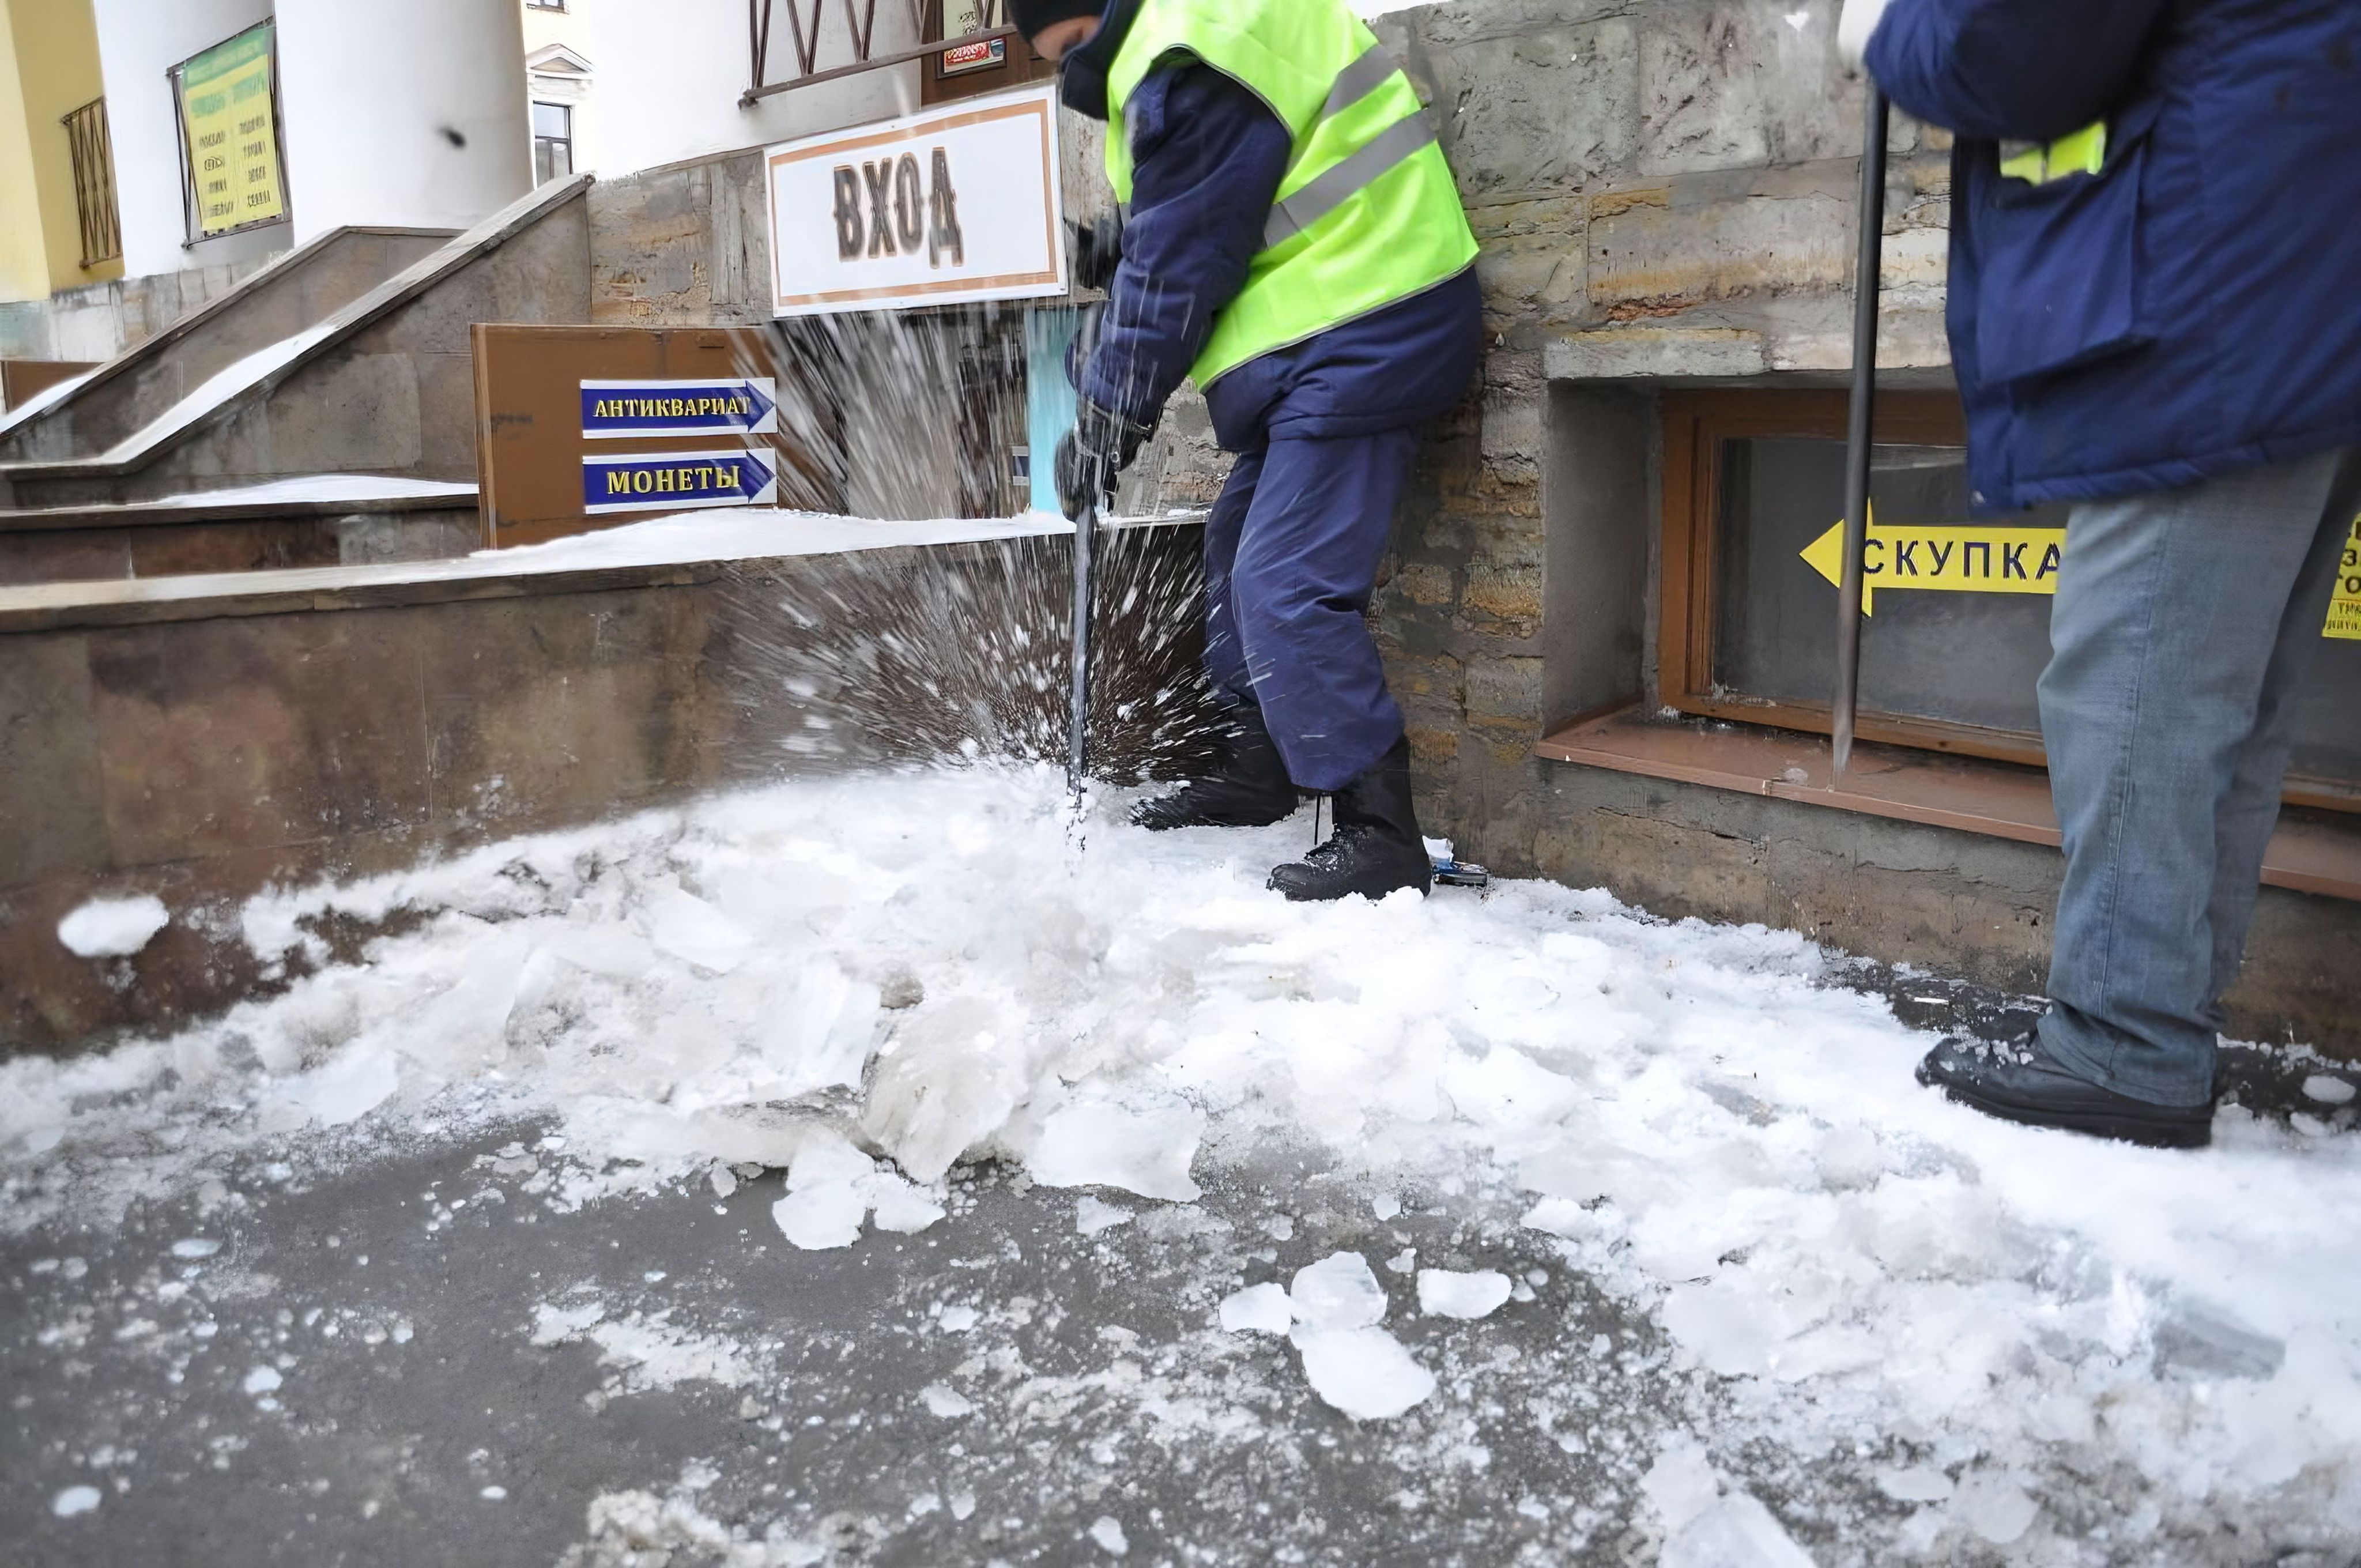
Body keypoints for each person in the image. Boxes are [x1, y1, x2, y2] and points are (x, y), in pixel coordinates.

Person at [1840, 0, 2361, 1147]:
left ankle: (2125, 1046)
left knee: (2136, 683)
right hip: (2297, 275)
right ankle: (2151, 1017)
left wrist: (1888, 30)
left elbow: (2010, 47)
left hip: (2216, 284)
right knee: (2218, 700)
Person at [1012, 0, 1483, 902]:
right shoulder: (1201, 26)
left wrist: (1110, 416)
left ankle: (1380, 830)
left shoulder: (1189, 54)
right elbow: (1225, 198)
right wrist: (1135, 235)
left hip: (1369, 320)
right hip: (1330, 322)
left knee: (1283, 581)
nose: (1070, 73)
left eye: (1070, 49)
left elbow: (1181, 269)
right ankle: (1255, 764)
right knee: (1233, 553)